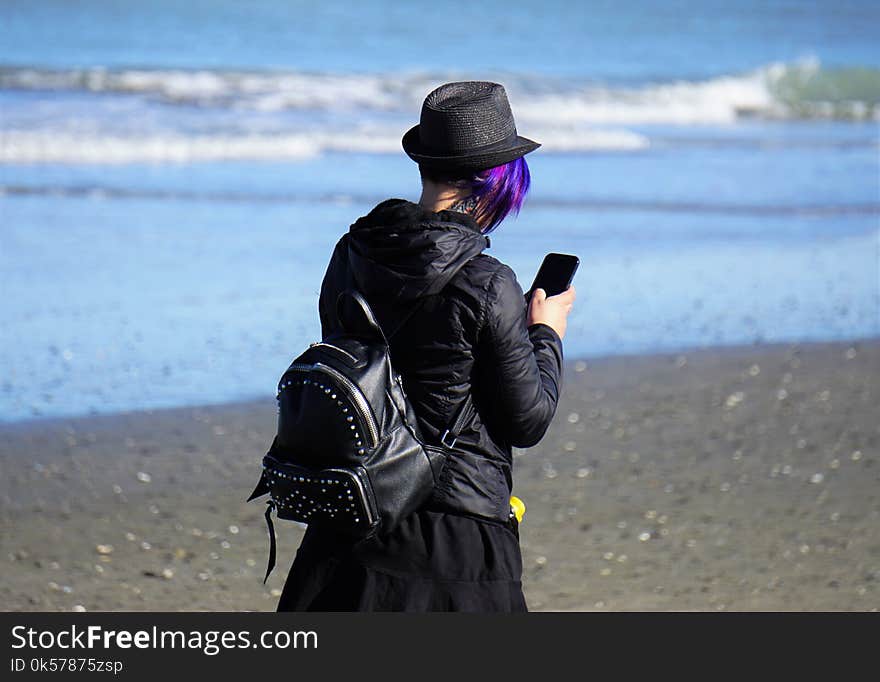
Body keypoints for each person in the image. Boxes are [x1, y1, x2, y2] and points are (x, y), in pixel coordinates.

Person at [276, 81, 575, 612]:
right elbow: (526, 420)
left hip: (357, 507)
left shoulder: (354, 251)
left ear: (425, 165)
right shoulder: (487, 280)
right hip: (455, 532)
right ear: (496, 180)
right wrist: (547, 333)